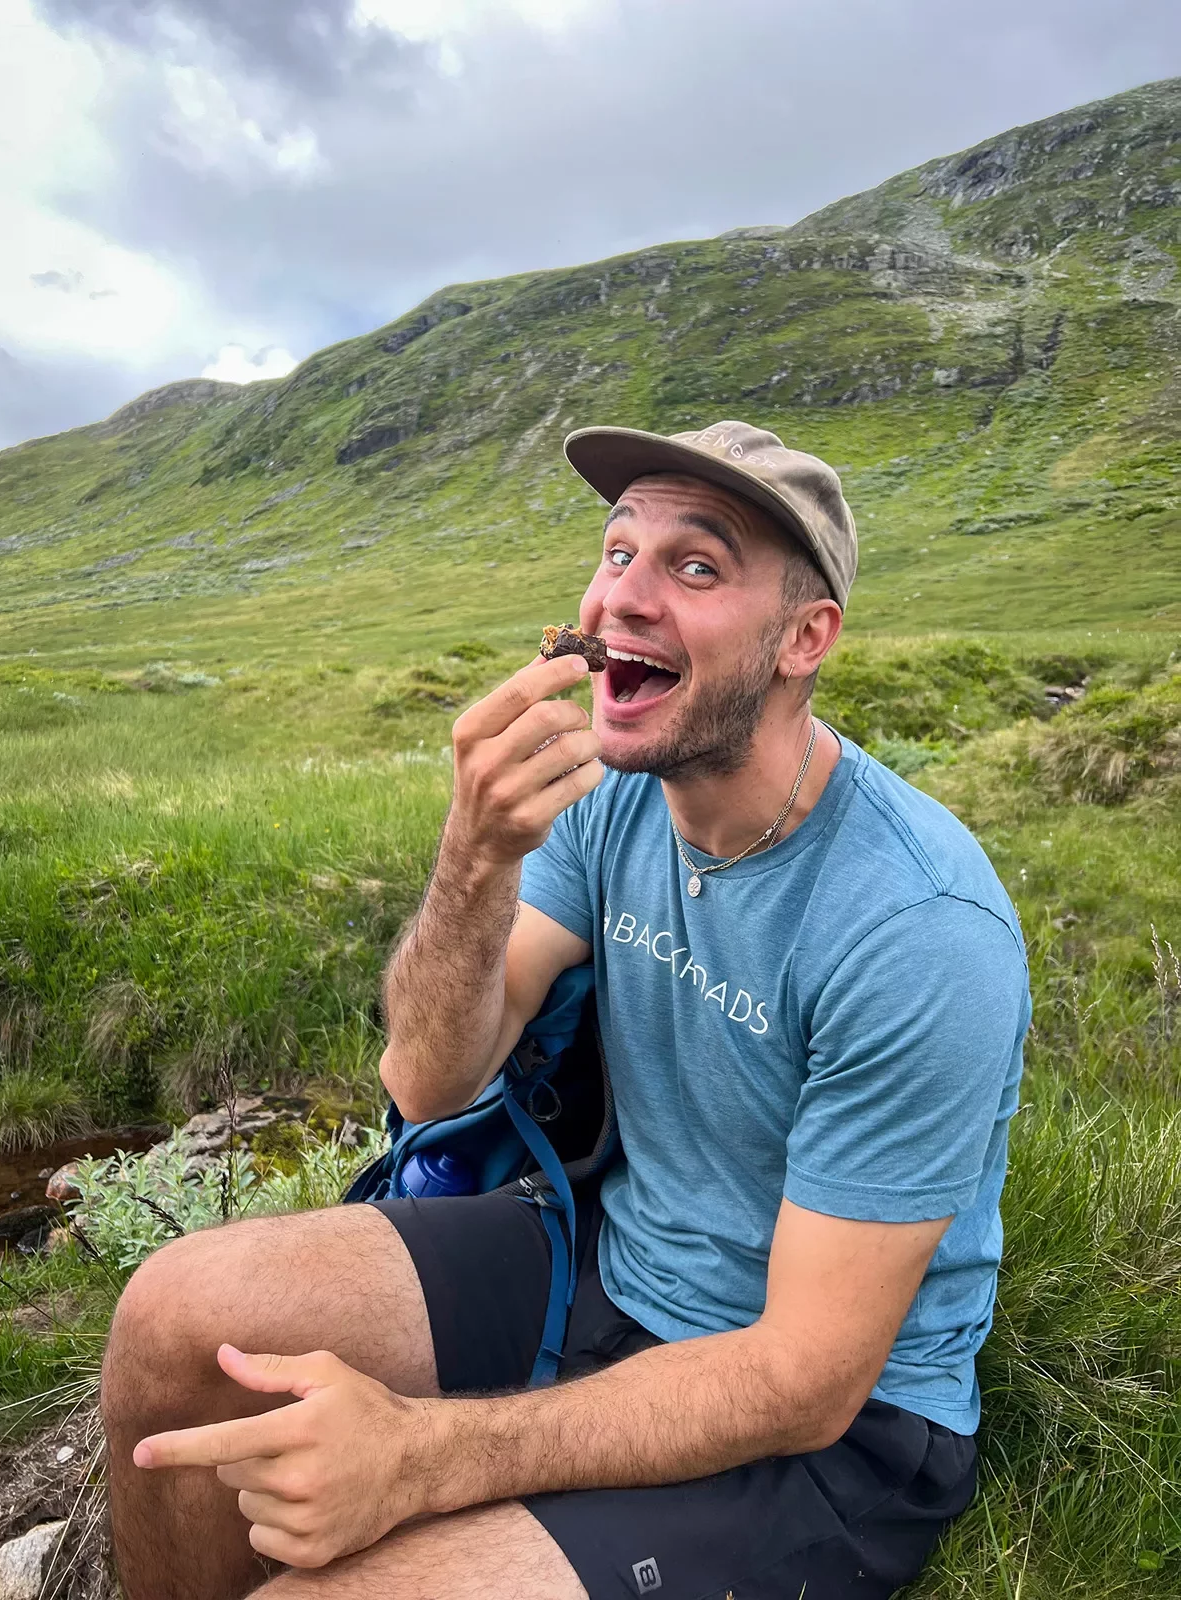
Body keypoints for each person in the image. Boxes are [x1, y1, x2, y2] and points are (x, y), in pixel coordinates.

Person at [102, 420, 1031, 1600]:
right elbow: (428, 1080)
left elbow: (807, 1375)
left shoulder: (919, 928)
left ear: (806, 637)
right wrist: (475, 858)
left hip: (837, 1437)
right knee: (169, 1313)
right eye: (616, 549)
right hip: (606, 1258)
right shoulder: (617, 795)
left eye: (695, 567)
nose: (623, 599)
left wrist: (424, 1455)